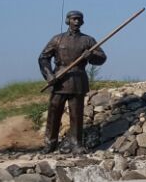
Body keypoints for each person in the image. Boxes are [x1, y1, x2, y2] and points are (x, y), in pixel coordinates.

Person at [39, 10, 107, 153]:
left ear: (82, 22)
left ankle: (76, 143)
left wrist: (91, 56)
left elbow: (102, 58)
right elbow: (43, 58)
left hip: (78, 81)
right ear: (67, 21)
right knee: (54, 113)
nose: (76, 22)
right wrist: (49, 75)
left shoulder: (88, 40)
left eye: (79, 19)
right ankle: (50, 143)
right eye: (74, 19)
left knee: (76, 115)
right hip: (60, 81)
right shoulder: (57, 39)